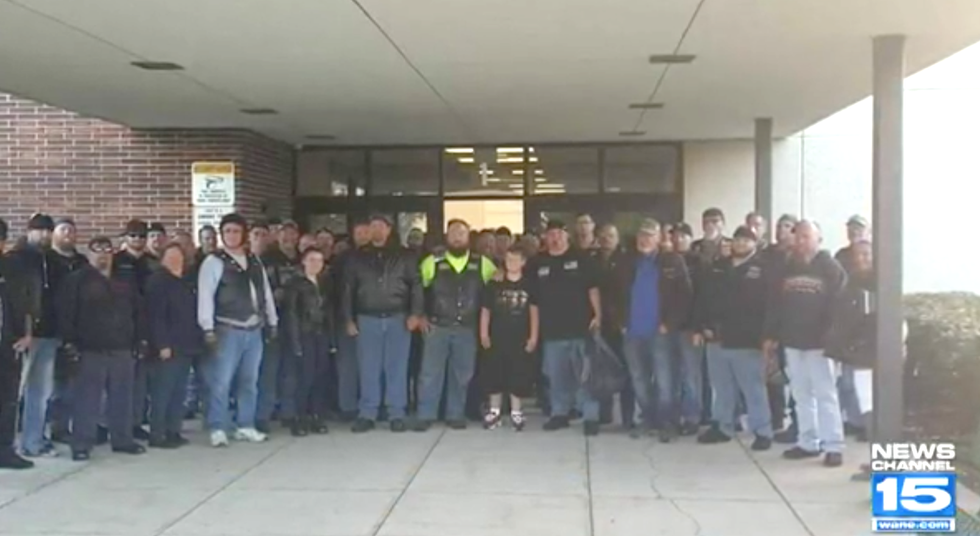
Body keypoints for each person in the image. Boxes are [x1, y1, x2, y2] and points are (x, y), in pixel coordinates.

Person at [764, 220, 847, 468]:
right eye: (797, 236)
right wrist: (771, 334)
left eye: (806, 236)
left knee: (826, 395)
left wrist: (832, 338)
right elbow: (775, 304)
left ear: (818, 239)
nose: (800, 241)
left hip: (820, 344)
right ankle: (808, 442)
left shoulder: (830, 268)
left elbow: (840, 307)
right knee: (801, 395)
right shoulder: (787, 267)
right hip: (792, 340)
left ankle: (833, 446)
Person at [59, 236, 148, 461]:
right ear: (89, 254)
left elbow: (138, 312)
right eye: (97, 250)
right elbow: (66, 313)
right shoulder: (77, 280)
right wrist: (70, 343)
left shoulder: (125, 280)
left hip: (122, 348)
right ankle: (81, 444)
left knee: (122, 398)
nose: (102, 254)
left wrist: (140, 340)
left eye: (106, 250)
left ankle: (122, 440)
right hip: (90, 349)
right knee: (87, 401)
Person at [197, 213, 279, 447]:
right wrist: (207, 328)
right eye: (227, 231)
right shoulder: (213, 262)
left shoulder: (254, 261)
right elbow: (206, 296)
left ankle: (245, 424)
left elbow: (265, 293)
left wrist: (272, 321)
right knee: (221, 380)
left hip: (254, 328)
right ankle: (218, 426)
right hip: (227, 327)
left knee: (249, 380)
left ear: (243, 234)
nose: (232, 235)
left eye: (236, 231)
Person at [342, 214, 423, 433]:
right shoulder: (356, 257)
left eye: (381, 226)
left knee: (396, 367)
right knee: (368, 368)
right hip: (367, 318)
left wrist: (415, 313)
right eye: (373, 226)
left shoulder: (405, 255)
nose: (376, 230)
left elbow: (416, 285)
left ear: (389, 230)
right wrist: (348, 318)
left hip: (398, 317)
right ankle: (368, 413)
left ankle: (396, 413)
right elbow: (348, 289)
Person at [695, 226, 773, 450]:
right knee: (721, 388)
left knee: (753, 389)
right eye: (737, 239)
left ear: (755, 243)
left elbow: (769, 307)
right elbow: (703, 298)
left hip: (747, 340)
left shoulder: (762, 270)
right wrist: (702, 327)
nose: (740, 244)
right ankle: (723, 426)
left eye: (746, 240)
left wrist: (768, 336)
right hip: (717, 338)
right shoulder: (718, 268)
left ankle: (762, 431)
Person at [414, 219, 496, 431]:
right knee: (430, 373)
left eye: (462, 232)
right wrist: (420, 315)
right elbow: (418, 290)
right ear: (446, 236)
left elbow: (497, 287)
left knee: (462, 373)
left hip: (467, 328)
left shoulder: (482, 263)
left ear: (469, 237)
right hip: (436, 326)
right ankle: (426, 415)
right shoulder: (432, 261)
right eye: (453, 233)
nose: (457, 236)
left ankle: (455, 414)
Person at [618, 219, 693, 442]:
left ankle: (668, 423)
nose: (644, 240)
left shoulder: (672, 260)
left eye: (650, 235)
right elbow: (614, 294)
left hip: (660, 332)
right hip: (632, 332)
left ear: (660, 238)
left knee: (665, 379)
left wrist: (669, 323)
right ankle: (648, 419)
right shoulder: (627, 262)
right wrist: (620, 322)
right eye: (642, 235)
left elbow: (685, 295)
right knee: (639, 379)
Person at [531, 220, 603, 435]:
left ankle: (590, 416)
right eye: (551, 234)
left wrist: (598, 315)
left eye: (560, 234)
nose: (555, 238)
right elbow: (531, 297)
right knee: (557, 376)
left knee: (585, 376)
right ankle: (559, 414)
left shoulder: (581, 258)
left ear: (567, 236)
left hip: (580, 328)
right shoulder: (537, 262)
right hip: (552, 330)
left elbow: (593, 288)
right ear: (545, 237)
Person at [7, 213, 58, 458]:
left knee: (41, 392)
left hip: (49, 333)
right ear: (29, 231)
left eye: (49, 230)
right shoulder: (16, 260)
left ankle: (33, 441)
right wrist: (24, 331)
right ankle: (9, 445)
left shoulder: (51, 259)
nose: (45, 235)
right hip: (24, 336)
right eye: (40, 230)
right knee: (14, 392)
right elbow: (19, 301)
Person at [146, 243, 202, 449]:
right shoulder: (158, 281)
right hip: (168, 347)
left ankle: (173, 431)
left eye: (178, 256)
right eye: (170, 256)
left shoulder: (184, 282)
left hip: (186, 345)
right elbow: (156, 316)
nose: (174, 260)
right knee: (163, 392)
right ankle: (157, 434)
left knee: (179, 392)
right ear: (162, 259)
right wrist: (162, 344)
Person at [479, 246, 538, 431]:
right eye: (508, 259)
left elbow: (534, 312)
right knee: (495, 375)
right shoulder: (494, 284)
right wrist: (483, 333)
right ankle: (494, 412)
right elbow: (485, 310)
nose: (512, 263)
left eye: (516, 259)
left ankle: (516, 412)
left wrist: (533, 336)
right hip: (497, 337)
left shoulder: (530, 285)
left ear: (523, 262)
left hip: (520, 338)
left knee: (518, 375)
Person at [826, 240, 876, 444]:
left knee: (871, 403)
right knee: (857, 396)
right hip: (856, 351)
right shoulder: (850, 281)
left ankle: (882, 458)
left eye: (865, 254)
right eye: (856, 255)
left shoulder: (883, 282)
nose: (860, 259)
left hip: (874, 353)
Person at [282, 247, 334, 437]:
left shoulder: (325, 283)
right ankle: (299, 418)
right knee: (305, 378)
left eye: (319, 260)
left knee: (321, 377)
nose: (315, 264)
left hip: (321, 334)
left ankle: (316, 416)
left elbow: (329, 314)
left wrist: (332, 340)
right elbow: (292, 314)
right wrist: (295, 342)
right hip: (304, 334)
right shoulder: (295, 284)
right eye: (311, 260)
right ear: (303, 262)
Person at [47, 218, 89, 444]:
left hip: (79, 328)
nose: (68, 234)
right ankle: (51, 427)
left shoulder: (82, 262)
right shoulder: (46, 260)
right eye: (63, 230)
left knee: (74, 382)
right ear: (54, 234)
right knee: (53, 383)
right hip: (50, 328)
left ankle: (66, 427)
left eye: (72, 231)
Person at [115, 219, 155, 441]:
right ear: (125, 237)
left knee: (141, 380)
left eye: (141, 236)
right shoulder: (116, 261)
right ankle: (117, 424)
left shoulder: (153, 262)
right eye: (133, 236)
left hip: (147, 325)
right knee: (120, 380)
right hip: (123, 325)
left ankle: (136, 422)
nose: (137, 240)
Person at [760, 213, 799, 441]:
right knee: (773, 373)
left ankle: (797, 423)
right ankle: (775, 418)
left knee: (797, 380)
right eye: (779, 226)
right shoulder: (767, 256)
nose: (782, 230)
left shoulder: (800, 259)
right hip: (772, 322)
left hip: (796, 327)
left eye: (788, 226)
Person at [0, 218, 35, 469]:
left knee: (8, 398)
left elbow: (26, 303)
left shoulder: (12, 267)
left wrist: (27, 333)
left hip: (8, 341)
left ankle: (5, 450)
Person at [594, 223, 633, 427]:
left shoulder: (627, 261)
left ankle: (628, 417)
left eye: (611, 235)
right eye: (603, 235)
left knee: (627, 370)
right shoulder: (593, 260)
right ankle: (604, 413)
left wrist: (626, 320)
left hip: (622, 324)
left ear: (617, 238)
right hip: (600, 325)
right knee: (601, 370)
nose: (606, 239)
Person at [332, 220, 371, 421]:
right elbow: (339, 292)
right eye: (359, 232)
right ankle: (347, 407)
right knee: (348, 365)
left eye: (367, 232)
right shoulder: (343, 259)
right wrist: (347, 318)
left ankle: (371, 405)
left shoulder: (380, 256)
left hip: (374, 317)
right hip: (348, 317)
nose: (364, 236)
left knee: (372, 366)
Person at [249, 220, 285, 434]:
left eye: (264, 234)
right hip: (244, 325)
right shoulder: (240, 261)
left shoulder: (278, 261)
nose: (261, 238)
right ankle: (244, 415)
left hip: (271, 323)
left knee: (268, 373)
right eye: (256, 234)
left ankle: (262, 415)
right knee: (245, 374)